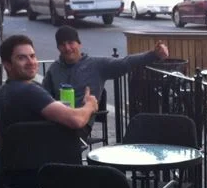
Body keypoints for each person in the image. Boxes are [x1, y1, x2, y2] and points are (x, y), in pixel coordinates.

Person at [0, 34, 99, 188]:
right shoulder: (31, 92)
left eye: (32, 56)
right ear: (7, 64)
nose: (31, 62)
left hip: (15, 175)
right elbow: (76, 120)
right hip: (55, 175)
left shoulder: (3, 93)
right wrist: (90, 106)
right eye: (22, 57)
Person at [41, 25, 169, 118]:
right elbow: (43, 97)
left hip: (81, 122)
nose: (67, 48)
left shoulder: (96, 65)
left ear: (79, 44)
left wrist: (153, 55)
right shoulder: (54, 69)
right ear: (58, 48)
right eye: (62, 44)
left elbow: (125, 63)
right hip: (57, 120)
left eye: (70, 43)